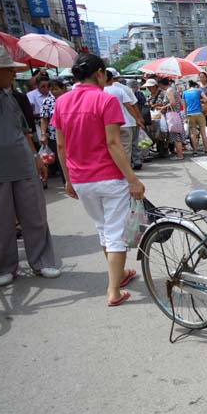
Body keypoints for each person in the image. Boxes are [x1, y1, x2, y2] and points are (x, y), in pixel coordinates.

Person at [52, 53, 146, 307]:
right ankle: (113, 290)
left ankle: (121, 274)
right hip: (108, 177)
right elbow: (113, 143)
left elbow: (60, 145)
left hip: (81, 179)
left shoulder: (61, 103)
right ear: (101, 74)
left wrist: (68, 179)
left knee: (104, 229)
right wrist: (133, 179)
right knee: (116, 233)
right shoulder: (105, 100)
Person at [0, 44, 60, 286]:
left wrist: (36, 159)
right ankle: (5, 267)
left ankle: (42, 262)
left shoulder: (9, 96)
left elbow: (23, 131)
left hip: (23, 166)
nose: (13, 75)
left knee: (35, 218)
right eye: (9, 70)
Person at [104, 68, 145, 164]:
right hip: (126, 123)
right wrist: (138, 119)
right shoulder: (123, 89)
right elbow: (131, 106)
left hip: (107, 125)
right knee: (126, 148)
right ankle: (126, 170)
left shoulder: (99, 91)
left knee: (110, 147)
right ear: (116, 77)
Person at [38, 79, 68, 180]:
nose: (54, 91)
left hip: (70, 134)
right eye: (52, 89)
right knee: (61, 159)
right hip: (54, 136)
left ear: (63, 88)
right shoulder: (47, 101)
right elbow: (44, 119)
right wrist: (43, 134)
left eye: (56, 89)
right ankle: (66, 181)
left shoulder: (69, 99)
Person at [158, 77, 186, 159]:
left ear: (161, 84)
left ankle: (179, 155)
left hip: (172, 115)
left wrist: (162, 108)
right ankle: (179, 154)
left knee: (176, 135)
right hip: (176, 114)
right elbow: (180, 101)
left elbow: (172, 103)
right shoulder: (173, 89)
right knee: (177, 135)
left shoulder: (169, 91)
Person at [182, 80, 207, 155]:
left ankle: (195, 151)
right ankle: (206, 149)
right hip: (199, 113)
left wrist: (185, 116)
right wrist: (201, 101)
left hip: (190, 114)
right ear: (195, 86)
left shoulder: (184, 93)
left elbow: (184, 107)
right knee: (203, 133)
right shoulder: (199, 91)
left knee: (193, 133)